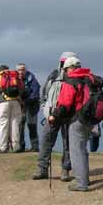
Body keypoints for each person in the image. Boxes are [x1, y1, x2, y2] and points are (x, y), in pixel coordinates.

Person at [50, 56, 103, 192]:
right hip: (90, 120)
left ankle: (81, 183)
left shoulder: (71, 81)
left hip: (77, 119)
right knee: (82, 149)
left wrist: (54, 116)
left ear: (71, 68)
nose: (65, 72)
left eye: (66, 69)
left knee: (76, 151)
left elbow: (65, 104)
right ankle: (84, 179)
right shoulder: (90, 79)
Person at [33, 52, 76, 181]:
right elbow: (44, 96)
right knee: (46, 140)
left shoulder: (78, 77)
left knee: (68, 143)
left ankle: (66, 170)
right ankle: (42, 168)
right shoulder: (53, 75)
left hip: (70, 115)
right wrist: (45, 112)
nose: (64, 64)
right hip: (52, 115)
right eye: (63, 62)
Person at [0, 65, 23, 153]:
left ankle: (1, 146)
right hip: (16, 102)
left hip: (3, 103)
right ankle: (16, 146)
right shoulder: (15, 77)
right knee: (15, 124)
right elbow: (22, 89)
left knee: (3, 124)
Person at [16, 63, 41, 152]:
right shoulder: (15, 79)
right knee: (20, 126)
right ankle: (20, 146)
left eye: (22, 69)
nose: (21, 72)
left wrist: (25, 100)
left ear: (26, 70)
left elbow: (35, 92)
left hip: (32, 105)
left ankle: (35, 147)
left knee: (32, 126)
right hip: (20, 106)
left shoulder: (32, 78)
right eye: (19, 70)